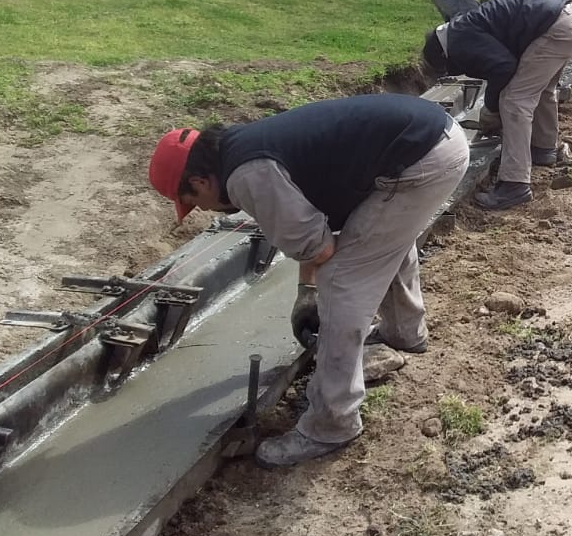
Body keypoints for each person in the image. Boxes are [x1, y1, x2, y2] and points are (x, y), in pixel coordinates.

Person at [147, 94, 470, 468]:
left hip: (420, 162)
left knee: (343, 280)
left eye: (194, 200)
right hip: (434, 138)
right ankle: (404, 331)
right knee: (379, 239)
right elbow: (322, 227)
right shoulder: (244, 144)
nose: (201, 209)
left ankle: (332, 422)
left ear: (201, 180)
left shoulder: (245, 176)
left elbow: (319, 250)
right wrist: (306, 287)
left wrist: (312, 293)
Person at [422, 0, 572, 211]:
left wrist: (491, 111)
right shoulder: (463, 28)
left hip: (555, 28)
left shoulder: (460, 39)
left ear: (443, 56)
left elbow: (503, 69)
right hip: (571, 19)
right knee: (542, 88)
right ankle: (543, 147)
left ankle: (515, 184)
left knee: (515, 100)